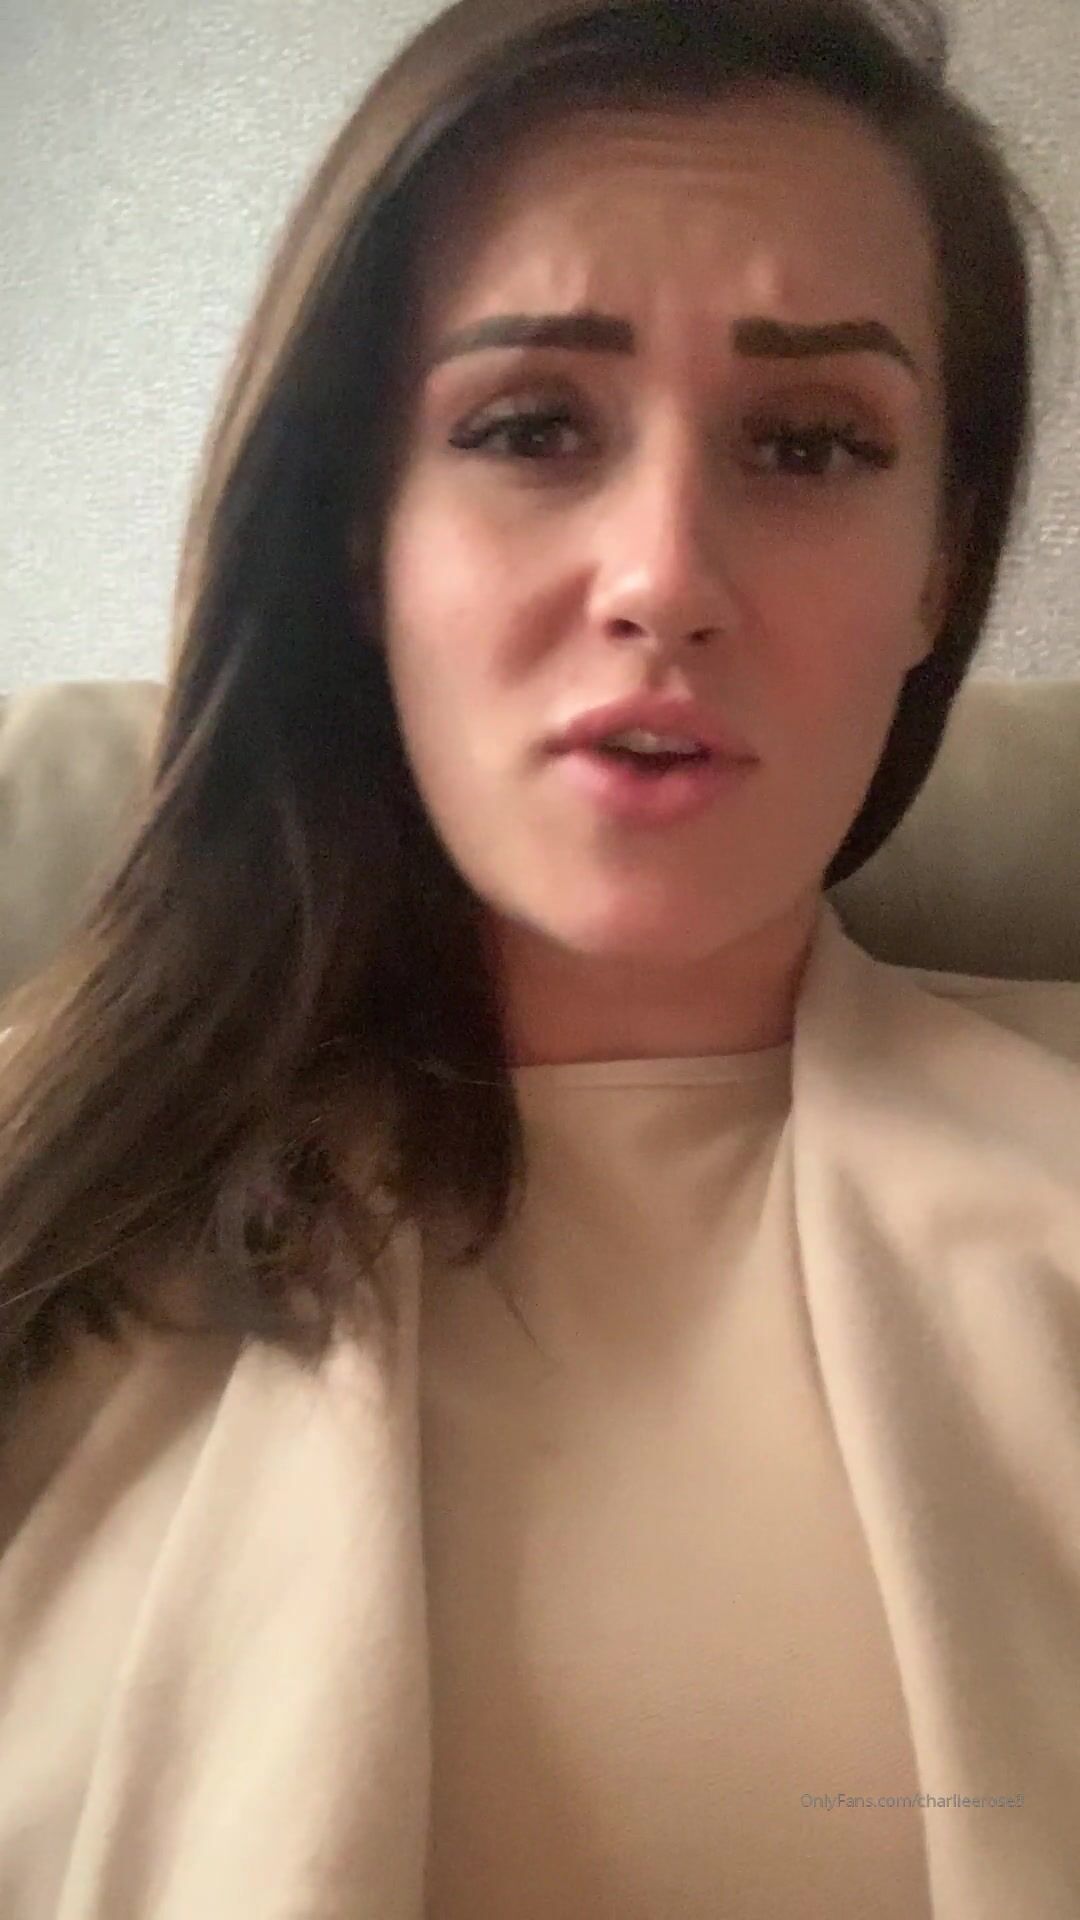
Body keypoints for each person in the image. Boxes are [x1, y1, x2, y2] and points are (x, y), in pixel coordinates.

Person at [1, 0, 1078, 1913]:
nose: (663, 575)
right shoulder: (43, 1183)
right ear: (362, 536)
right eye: (528, 428)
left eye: (810, 444)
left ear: (941, 562)